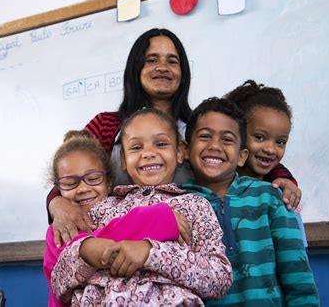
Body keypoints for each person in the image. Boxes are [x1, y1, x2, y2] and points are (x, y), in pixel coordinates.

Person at [47, 28, 299, 247]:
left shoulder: (196, 127)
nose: (162, 68)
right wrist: (56, 203)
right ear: (136, 69)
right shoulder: (106, 125)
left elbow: (236, 157)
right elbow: (70, 171)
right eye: (151, 60)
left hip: (185, 244)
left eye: (172, 61)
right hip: (118, 244)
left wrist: (281, 177)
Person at [51, 108, 232, 305]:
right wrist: (85, 249)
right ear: (122, 160)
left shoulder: (195, 206)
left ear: (180, 152)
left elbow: (219, 279)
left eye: (161, 144)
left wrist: (150, 253)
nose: (148, 153)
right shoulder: (100, 208)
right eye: (136, 147)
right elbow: (58, 283)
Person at [181, 97, 320, 305]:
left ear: (242, 156)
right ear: (184, 150)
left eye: (227, 139)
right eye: (205, 136)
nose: (215, 146)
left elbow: (299, 281)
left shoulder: (271, 198)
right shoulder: (176, 205)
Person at [43, 130, 191, 307]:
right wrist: (159, 219)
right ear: (58, 188)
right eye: (69, 183)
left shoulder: (122, 208)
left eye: (93, 178)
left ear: (109, 181)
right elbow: (101, 245)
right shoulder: (58, 230)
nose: (82, 189)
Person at [224, 80, 307, 245]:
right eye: (260, 137)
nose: (270, 149)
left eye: (281, 142)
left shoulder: (283, 197)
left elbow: (297, 257)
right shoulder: (217, 186)